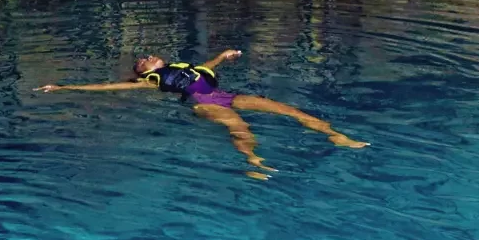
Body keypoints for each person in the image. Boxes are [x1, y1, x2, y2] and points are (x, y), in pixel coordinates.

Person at [38, 48, 366, 178]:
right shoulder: (151, 82)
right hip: (205, 104)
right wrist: (65, 88)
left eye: (150, 54)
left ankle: (336, 136)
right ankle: (254, 164)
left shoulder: (184, 66)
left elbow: (202, 71)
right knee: (240, 129)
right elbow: (110, 88)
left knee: (285, 108)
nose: (148, 57)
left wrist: (222, 58)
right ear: (142, 72)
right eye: (142, 60)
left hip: (223, 94)